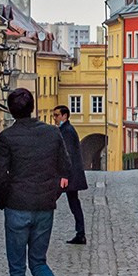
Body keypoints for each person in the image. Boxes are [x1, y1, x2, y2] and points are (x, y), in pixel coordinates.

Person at [0, 87, 75, 276]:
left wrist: (4, 201)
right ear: (33, 107)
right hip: (44, 208)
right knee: (38, 262)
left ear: (11, 110)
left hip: (17, 207)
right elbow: (66, 169)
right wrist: (51, 195)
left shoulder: (7, 137)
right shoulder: (52, 134)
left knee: (17, 268)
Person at [52, 104, 88, 244]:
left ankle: (36, 228)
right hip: (71, 174)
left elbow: (67, 154)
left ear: (64, 116)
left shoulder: (66, 131)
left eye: (56, 115)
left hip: (68, 175)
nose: (54, 118)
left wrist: (64, 175)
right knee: (74, 203)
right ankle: (81, 233)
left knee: (49, 199)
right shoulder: (66, 129)